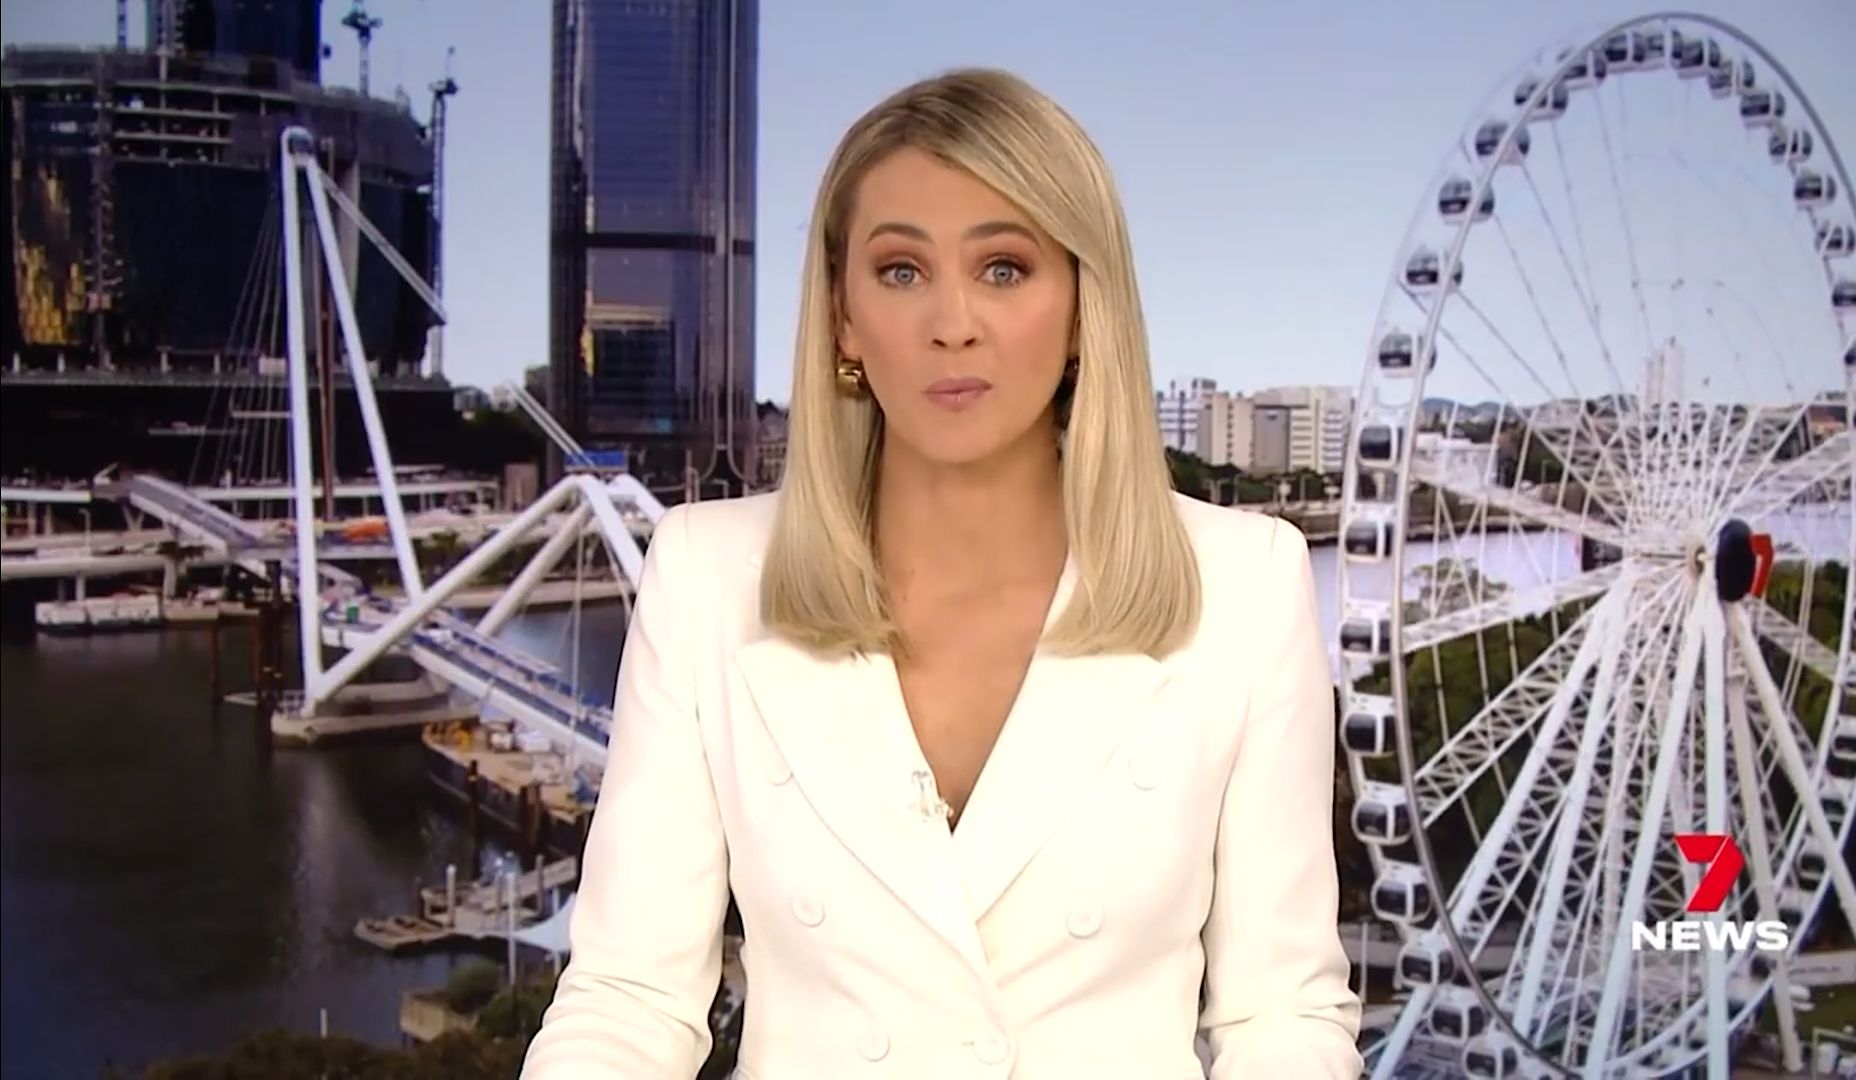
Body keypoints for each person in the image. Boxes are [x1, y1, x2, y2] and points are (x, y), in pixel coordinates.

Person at [522, 67, 1362, 1079]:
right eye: (900, 271)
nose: (952, 322)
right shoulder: (705, 578)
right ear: (842, 316)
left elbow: (1282, 1017)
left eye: (1004, 268)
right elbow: (628, 1002)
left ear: (1083, 307)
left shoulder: (1243, 587)